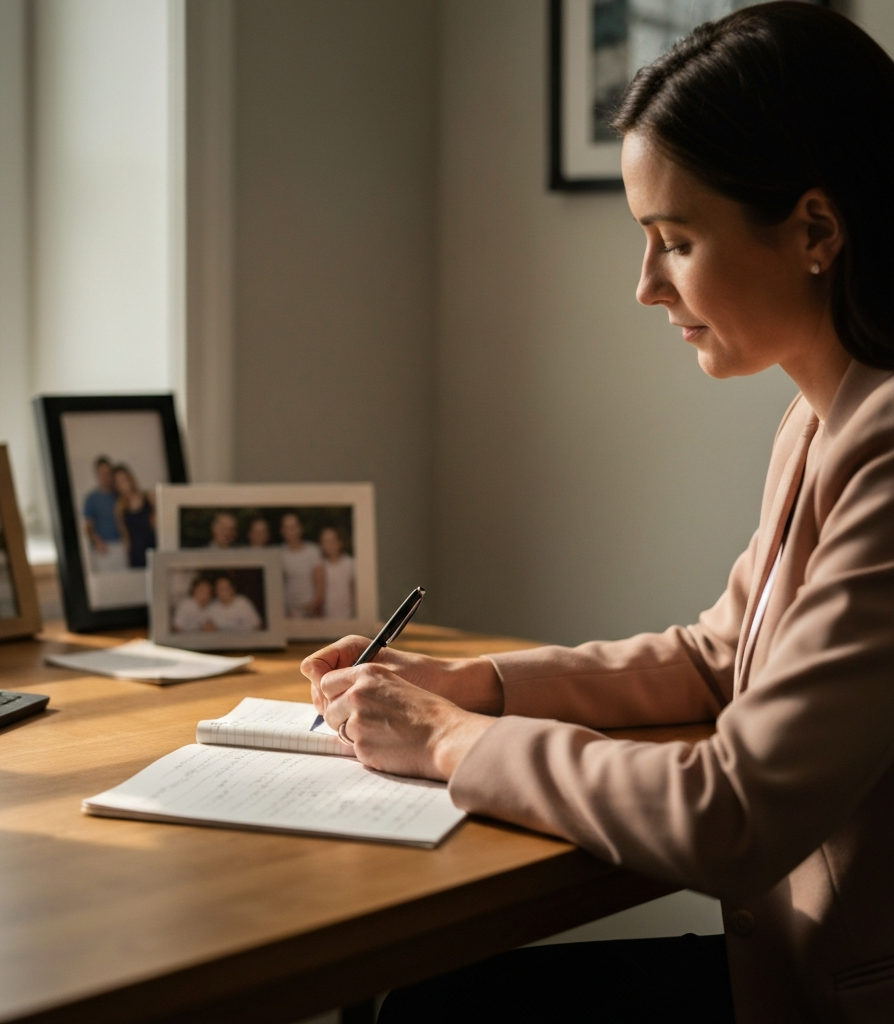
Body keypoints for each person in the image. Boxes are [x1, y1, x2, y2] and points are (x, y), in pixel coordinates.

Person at [302, 6, 894, 1022]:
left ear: (814, 230)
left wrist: (447, 740)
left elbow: (732, 813)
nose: (644, 286)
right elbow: (720, 656)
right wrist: (473, 684)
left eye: (674, 241)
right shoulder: (821, 418)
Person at [83, 456, 127, 572]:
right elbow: (88, 526)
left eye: (108, 473)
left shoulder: (119, 495)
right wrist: (97, 541)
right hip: (104, 547)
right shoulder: (92, 499)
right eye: (101, 474)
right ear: (96, 475)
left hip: (123, 544)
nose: (105, 477)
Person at [279, 512, 324, 617]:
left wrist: (315, 605)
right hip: (289, 613)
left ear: (300, 528)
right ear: (282, 531)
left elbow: (320, 582)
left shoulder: (313, 551)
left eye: (293, 527)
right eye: (287, 528)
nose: (291, 531)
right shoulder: (279, 554)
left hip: (311, 611)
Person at [112, 464, 156, 569]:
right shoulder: (120, 507)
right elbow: (125, 536)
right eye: (120, 481)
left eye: (124, 479)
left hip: (153, 546)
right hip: (137, 553)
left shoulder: (148, 497)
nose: (124, 484)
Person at [319, 526, 356, 619]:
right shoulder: (321, 566)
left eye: (333, 541)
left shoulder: (350, 563)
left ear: (340, 542)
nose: (330, 545)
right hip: (327, 618)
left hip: (348, 617)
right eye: (326, 541)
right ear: (321, 545)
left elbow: (354, 590)